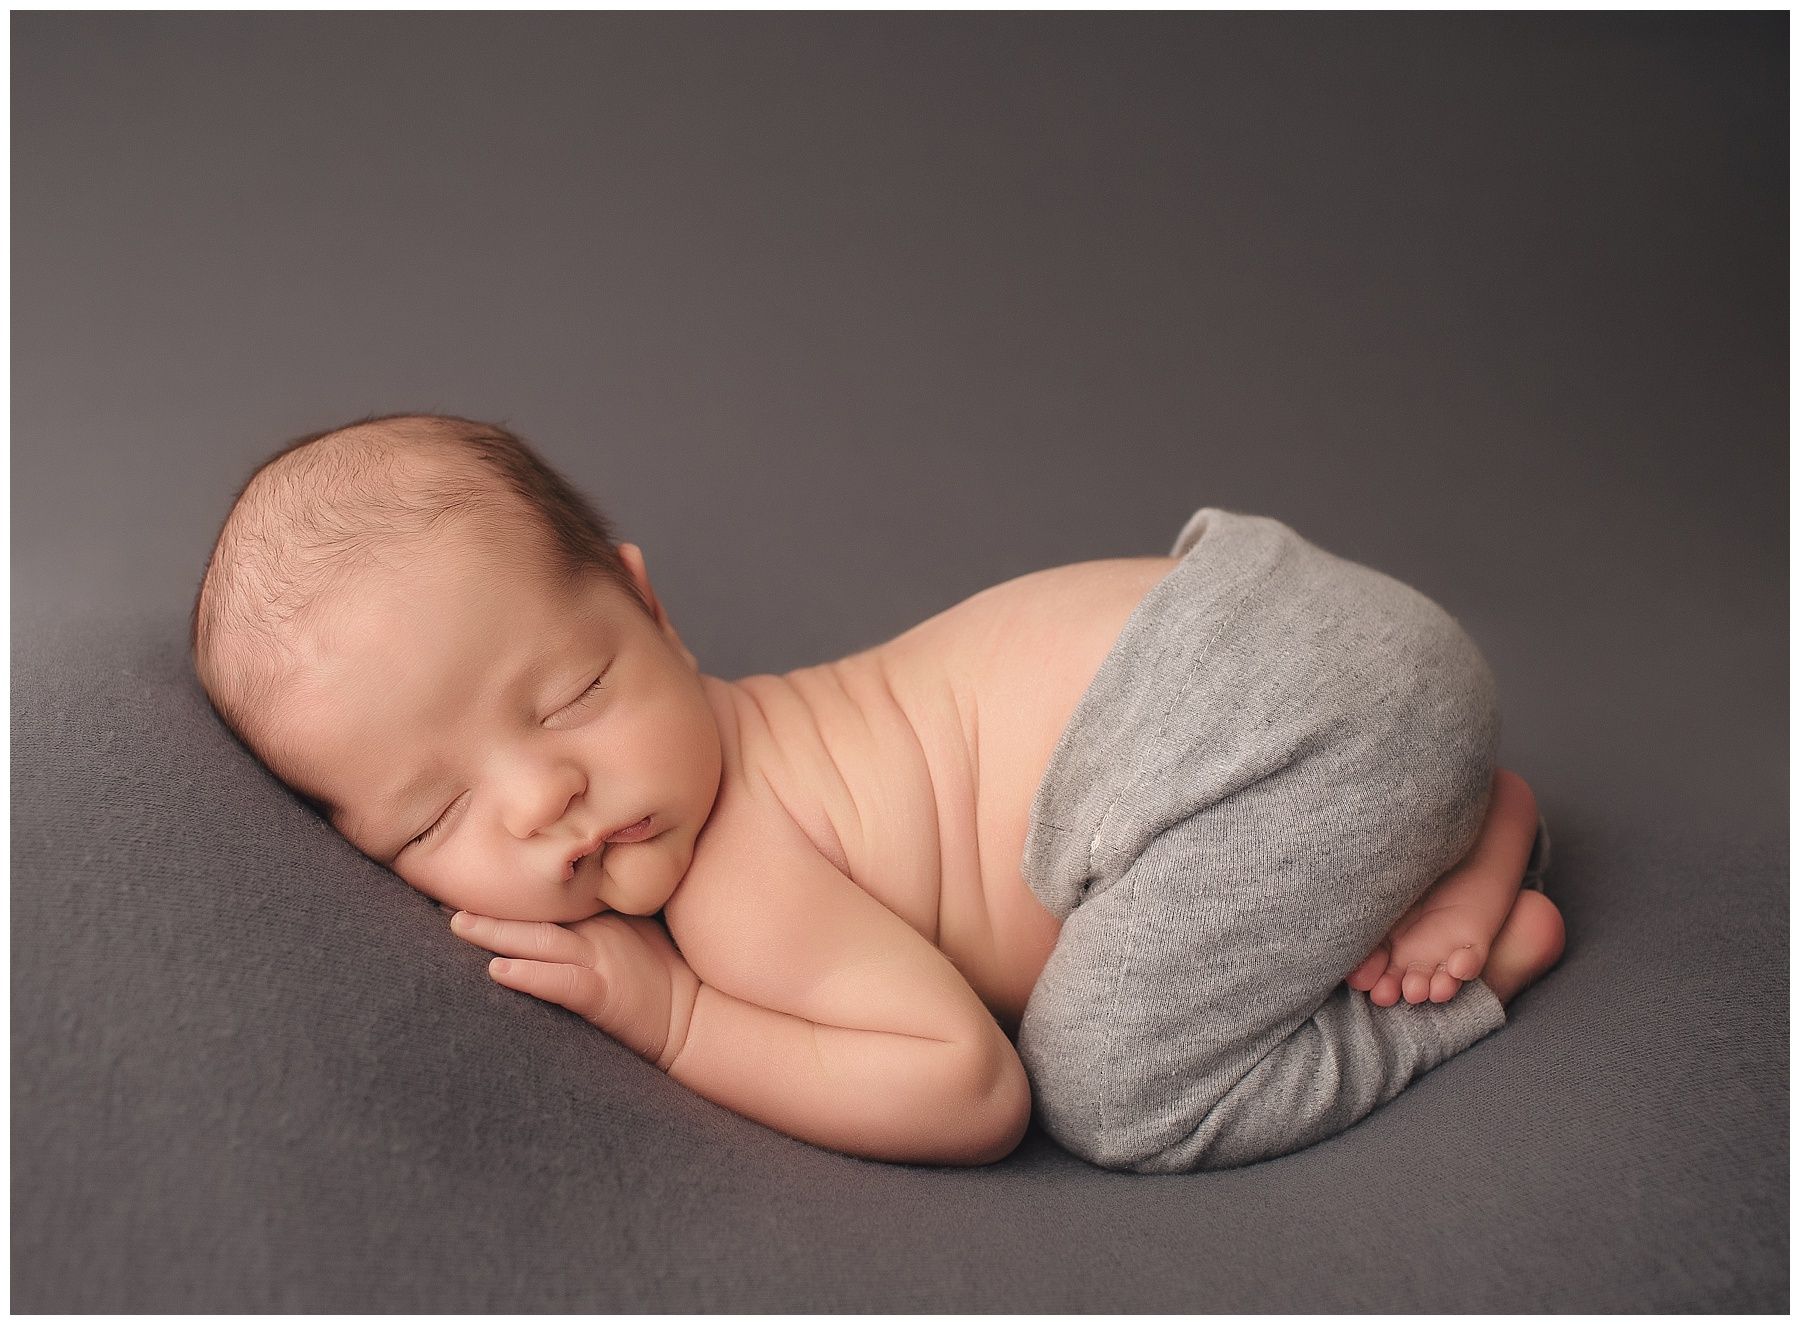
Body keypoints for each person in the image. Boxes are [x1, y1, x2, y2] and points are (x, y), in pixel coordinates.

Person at [190, 412, 1564, 1172]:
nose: (544, 795)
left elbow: (967, 1088)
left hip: (1272, 719)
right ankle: (1449, 823)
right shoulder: (797, 734)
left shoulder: (739, 879)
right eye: (434, 816)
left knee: (1112, 1090)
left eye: (568, 699)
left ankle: (1474, 938)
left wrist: (678, 1020)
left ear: (653, 612)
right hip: (1297, 632)